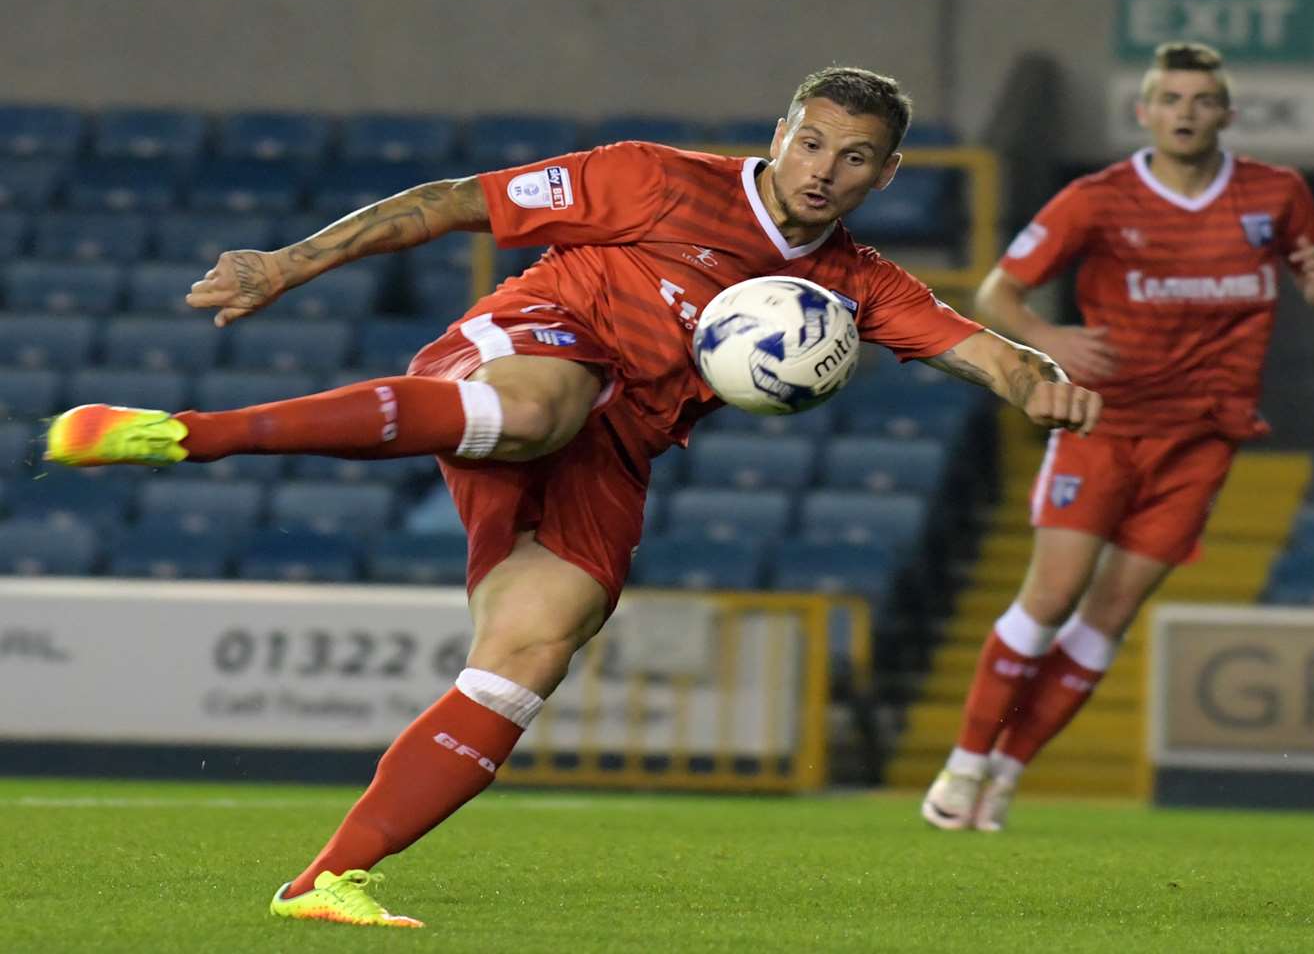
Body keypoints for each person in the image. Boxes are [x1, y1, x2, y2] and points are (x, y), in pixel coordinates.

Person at [44, 67, 1103, 929]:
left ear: (886, 173)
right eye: (813, 141)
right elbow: (454, 203)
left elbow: (979, 348)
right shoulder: (650, 177)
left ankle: (327, 880)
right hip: (527, 352)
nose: (825, 169)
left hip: (618, 447)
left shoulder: (860, 285)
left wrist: (1039, 386)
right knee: (546, 404)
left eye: (855, 156)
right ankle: (189, 437)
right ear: (782, 131)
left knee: (536, 647)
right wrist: (291, 262)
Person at [920, 41, 1314, 833]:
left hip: (1204, 438)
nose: (1186, 113)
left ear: (1225, 112)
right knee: (1050, 597)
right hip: (1104, 424)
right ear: (1143, 112)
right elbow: (996, 291)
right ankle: (966, 760)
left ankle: (1009, 774)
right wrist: (1052, 336)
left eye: (1201, 100)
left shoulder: (1276, 193)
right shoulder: (1097, 199)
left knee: (1111, 613)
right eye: (1171, 99)